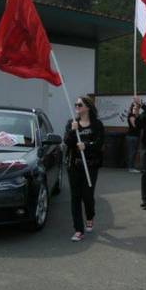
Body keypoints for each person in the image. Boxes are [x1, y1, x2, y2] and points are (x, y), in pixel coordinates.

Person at [64, 96, 104, 242]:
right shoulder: (72, 123)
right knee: (75, 197)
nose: (77, 107)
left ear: (87, 107)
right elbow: (67, 142)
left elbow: (100, 143)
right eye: (76, 104)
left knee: (87, 196)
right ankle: (78, 230)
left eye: (79, 105)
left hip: (91, 165)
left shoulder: (97, 124)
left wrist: (86, 146)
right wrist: (72, 131)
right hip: (74, 165)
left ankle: (90, 216)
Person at [126, 101, 141, 173]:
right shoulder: (131, 116)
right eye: (134, 108)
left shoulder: (136, 115)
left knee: (134, 152)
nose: (136, 109)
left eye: (137, 108)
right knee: (132, 152)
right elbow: (135, 125)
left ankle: (132, 166)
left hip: (135, 136)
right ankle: (130, 167)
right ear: (132, 108)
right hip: (132, 136)